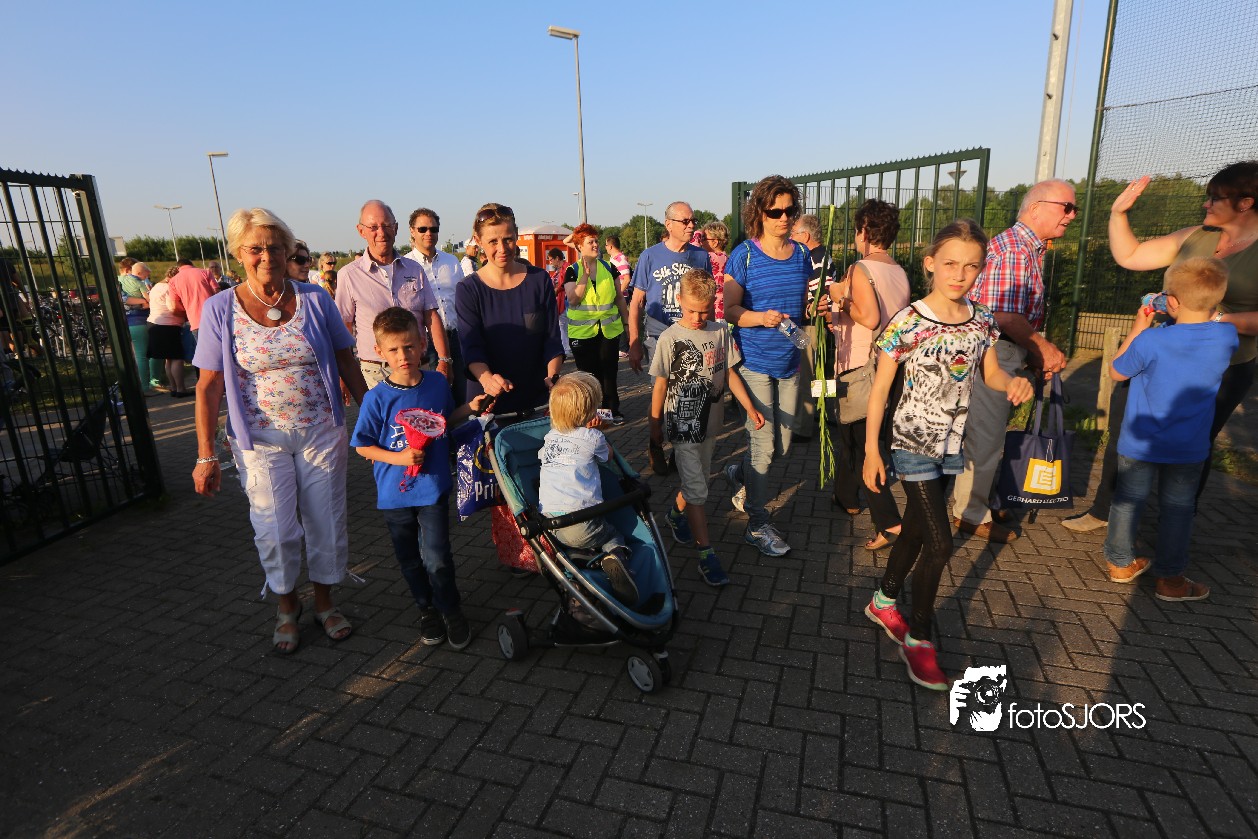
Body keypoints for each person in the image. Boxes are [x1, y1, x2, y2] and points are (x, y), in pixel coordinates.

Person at [862, 219, 1034, 689]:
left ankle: (883, 600)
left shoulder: (982, 320)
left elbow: (991, 374)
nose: (959, 275)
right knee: (940, 544)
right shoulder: (908, 321)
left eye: (971, 266)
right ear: (930, 264)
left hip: (951, 446)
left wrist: (1013, 382)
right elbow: (879, 391)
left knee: (917, 531)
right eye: (950, 264)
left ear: (981, 269)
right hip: (912, 443)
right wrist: (872, 452)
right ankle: (919, 640)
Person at [192, 207, 369, 655]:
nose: (266, 256)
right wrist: (205, 454)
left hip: (321, 430)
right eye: (255, 248)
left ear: (287, 251)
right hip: (258, 439)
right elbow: (208, 385)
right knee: (274, 528)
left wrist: (371, 418)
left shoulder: (315, 298)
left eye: (275, 247)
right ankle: (287, 605)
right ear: (238, 254)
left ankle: (325, 602)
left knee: (326, 520)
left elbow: (346, 359)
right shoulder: (220, 308)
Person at [1065, 161, 1258, 531]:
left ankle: (1176, 525)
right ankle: (1105, 511)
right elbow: (1131, 255)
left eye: (1215, 198)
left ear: (1245, 203)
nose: (1205, 204)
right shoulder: (1198, 235)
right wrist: (1118, 213)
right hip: (1160, 353)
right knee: (1126, 427)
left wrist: (1214, 319)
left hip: (1222, 366)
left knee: (1196, 441)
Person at [351, 307, 490, 648]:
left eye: (410, 346)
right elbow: (362, 446)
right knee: (410, 559)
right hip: (394, 494)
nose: (404, 356)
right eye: (394, 349)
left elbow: (444, 420)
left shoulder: (437, 383)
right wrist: (398, 457)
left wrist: (469, 409)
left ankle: (450, 609)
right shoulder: (376, 398)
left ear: (423, 343)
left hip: (432, 487)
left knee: (437, 556)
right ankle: (426, 609)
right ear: (379, 352)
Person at [1102, 258, 1237, 601]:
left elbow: (1117, 371)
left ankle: (1120, 563)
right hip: (1189, 445)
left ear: (1172, 301)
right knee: (1178, 509)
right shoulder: (1227, 336)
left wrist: (1140, 324)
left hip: (1140, 442)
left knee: (1128, 501)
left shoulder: (1151, 340)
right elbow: (1215, 317)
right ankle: (1171, 580)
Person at [949, 179, 1074, 542]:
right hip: (996, 351)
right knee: (985, 437)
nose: (1071, 215)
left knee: (987, 434)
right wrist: (1042, 349)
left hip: (1004, 350)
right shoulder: (1016, 250)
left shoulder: (1025, 248)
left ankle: (984, 499)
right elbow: (1002, 316)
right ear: (1036, 208)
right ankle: (970, 513)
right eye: (1066, 207)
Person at [456, 203, 564, 572]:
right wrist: (487, 378)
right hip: (492, 404)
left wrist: (553, 375)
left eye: (507, 239)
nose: (502, 248)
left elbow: (551, 339)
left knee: (543, 475)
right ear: (478, 241)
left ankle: (551, 546)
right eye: (492, 241)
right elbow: (471, 347)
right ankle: (519, 558)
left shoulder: (538, 280)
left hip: (536, 398)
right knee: (505, 488)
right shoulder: (469, 289)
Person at [649, 269, 763, 587]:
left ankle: (674, 516)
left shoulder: (720, 331)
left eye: (705, 311)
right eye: (691, 311)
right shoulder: (670, 338)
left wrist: (749, 407)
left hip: (710, 424)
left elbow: (730, 374)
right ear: (679, 300)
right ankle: (706, 554)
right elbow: (660, 386)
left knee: (697, 479)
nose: (698, 318)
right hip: (682, 426)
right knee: (698, 489)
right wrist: (654, 426)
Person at [721, 176, 812, 557]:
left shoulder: (802, 254)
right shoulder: (743, 255)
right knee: (763, 445)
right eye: (775, 212)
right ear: (759, 213)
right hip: (754, 363)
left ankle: (739, 474)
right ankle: (757, 524)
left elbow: (805, 305)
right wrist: (760, 318)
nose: (784, 218)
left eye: (790, 210)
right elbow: (729, 310)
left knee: (783, 445)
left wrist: (819, 307)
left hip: (789, 361)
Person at [827, 199, 910, 551]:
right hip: (887, 364)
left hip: (860, 366)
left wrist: (840, 299)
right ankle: (845, 495)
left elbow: (870, 317)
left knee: (863, 445)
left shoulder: (862, 268)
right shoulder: (898, 270)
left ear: (863, 231)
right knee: (849, 435)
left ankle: (889, 522)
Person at [538, 371, 637, 605]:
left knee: (578, 538)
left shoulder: (550, 437)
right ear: (590, 412)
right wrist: (599, 431)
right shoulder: (592, 437)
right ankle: (615, 557)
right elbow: (607, 457)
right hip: (584, 521)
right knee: (613, 535)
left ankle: (581, 555)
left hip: (551, 524)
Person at [335, 200, 451, 387]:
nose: (381, 233)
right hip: (376, 373)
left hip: (418, 369)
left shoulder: (414, 269)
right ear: (361, 231)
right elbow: (343, 327)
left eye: (387, 225)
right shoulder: (349, 275)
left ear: (396, 228)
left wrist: (445, 360)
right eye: (373, 227)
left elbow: (431, 316)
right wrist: (343, 374)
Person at [626, 201, 712, 373]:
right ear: (669, 224)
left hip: (692, 334)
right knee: (661, 386)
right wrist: (634, 343)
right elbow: (636, 303)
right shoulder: (649, 256)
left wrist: (711, 336)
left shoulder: (701, 257)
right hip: (658, 336)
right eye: (685, 221)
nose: (691, 226)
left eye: (693, 221)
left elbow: (707, 300)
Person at [563, 224, 630, 424]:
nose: (595, 245)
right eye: (590, 242)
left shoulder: (609, 268)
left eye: (596, 241)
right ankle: (591, 413)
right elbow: (573, 299)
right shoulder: (572, 270)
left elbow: (619, 298)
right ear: (579, 246)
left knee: (609, 372)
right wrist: (584, 275)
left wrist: (628, 326)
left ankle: (611, 411)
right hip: (582, 333)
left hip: (609, 330)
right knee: (588, 375)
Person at [403, 207, 466, 399]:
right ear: (412, 231)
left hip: (456, 337)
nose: (428, 233)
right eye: (422, 229)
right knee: (434, 397)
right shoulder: (405, 266)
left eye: (433, 229)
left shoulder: (452, 261)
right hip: (426, 343)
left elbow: (462, 299)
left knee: (461, 393)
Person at [789, 213, 837, 440]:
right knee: (819, 372)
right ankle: (822, 412)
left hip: (810, 325)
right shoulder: (819, 256)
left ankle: (802, 426)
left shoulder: (816, 259)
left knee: (807, 374)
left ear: (805, 235)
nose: (790, 236)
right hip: (811, 324)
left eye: (794, 232)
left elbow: (820, 298)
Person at [118, 259, 159, 393]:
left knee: (137, 355)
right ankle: (146, 387)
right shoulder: (138, 282)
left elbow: (123, 299)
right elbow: (148, 300)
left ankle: (142, 385)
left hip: (128, 321)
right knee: (143, 355)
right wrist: (143, 301)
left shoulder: (118, 282)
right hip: (139, 320)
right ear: (128, 270)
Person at [148, 266, 190, 397]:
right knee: (177, 358)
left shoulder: (156, 287)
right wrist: (185, 314)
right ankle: (181, 389)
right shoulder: (169, 287)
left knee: (169, 359)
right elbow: (172, 308)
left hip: (154, 323)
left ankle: (173, 387)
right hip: (168, 325)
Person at [604, 234, 633, 359]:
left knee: (621, 320)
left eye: (606, 245)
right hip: (616, 295)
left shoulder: (620, 259)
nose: (605, 248)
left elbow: (627, 278)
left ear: (610, 246)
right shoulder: (613, 259)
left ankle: (624, 348)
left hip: (620, 296)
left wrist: (618, 294)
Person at [698, 221, 729, 321]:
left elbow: (692, 252)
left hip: (714, 310)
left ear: (715, 242)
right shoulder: (725, 257)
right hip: (723, 309)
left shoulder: (711, 257)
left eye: (704, 238)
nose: (701, 242)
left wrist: (697, 235)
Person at [546, 247, 571, 357]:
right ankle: (566, 348)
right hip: (560, 301)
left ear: (557, 258)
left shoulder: (567, 268)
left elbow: (565, 282)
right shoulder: (559, 270)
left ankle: (567, 348)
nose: (550, 262)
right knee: (562, 325)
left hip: (566, 300)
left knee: (564, 325)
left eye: (551, 259)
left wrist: (557, 289)